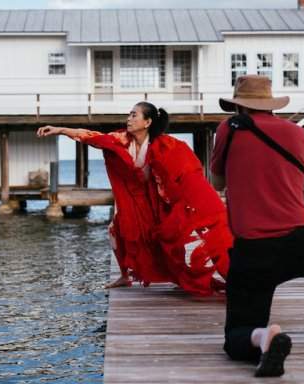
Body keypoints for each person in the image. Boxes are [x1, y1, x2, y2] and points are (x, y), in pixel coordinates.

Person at [210, 75, 304, 377]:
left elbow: (218, 182)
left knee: (236, 335)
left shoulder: (229, 130)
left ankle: (263, 338)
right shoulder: (297, 133)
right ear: (270, 103)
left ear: (239, 106)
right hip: (299, 244)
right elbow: (296, 180)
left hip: (252, 252)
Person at [36, 102, 230, 296]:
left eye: (134, 115)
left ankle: (207, 273)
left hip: (159, 199)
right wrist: (60, 130)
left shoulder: (167, 145)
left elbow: (187, 173)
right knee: (116, 230)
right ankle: (124, 275)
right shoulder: (121, 139)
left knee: (169, 237)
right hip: (134, 198)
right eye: (129, 115)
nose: (129, 119)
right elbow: (91, 136)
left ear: (147, 122)